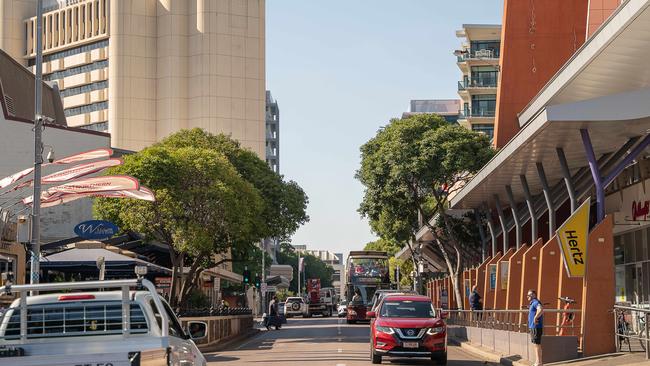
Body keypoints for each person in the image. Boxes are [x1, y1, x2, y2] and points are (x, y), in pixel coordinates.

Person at [527, 289, 544, 366]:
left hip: (536, 327)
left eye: (529, 295)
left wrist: (535, 317)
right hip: (533, 327)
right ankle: (538, 361)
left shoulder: (535, 302)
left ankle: (539, 362)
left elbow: (540, 310)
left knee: (537, 345)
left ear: (534, 295)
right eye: (527, 295)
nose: (528, 296)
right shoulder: (532, 303)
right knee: (536, 344)